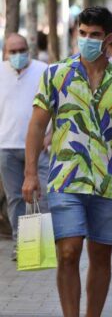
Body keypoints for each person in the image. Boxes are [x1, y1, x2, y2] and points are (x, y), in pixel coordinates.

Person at [22, 6, 112, 317]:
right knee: (68, 251)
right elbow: (37, 125)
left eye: (95, 35)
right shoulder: (56, 74)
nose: (88, 40)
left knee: (101, 255)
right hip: (64, 178)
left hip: (108, 181)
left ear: (108, 39)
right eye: (83, 34)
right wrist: (30, 174)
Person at [0, 33, 49, 261]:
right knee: (15, 198)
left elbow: (58, 107)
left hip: (38, 147)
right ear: (5, 53)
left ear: (28, 50)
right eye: (13, 51)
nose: (18, 55)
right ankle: (23, 244)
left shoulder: (43, 71)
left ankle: (39, 245)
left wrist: (50, 136)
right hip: (6, 146)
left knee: (42, 195)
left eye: (22, 50)